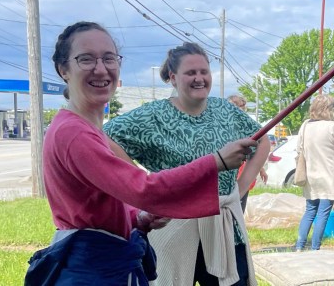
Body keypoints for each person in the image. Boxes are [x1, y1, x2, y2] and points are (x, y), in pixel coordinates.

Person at [30, 21, 255, 285]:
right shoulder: (74, 133)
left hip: (106, 261)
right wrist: (215, 162)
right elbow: (143, 189)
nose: (101, 68)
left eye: (109, 58)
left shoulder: (83, 127)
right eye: (86, 59)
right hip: (93, 267)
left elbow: (98, 207)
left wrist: (137, 217)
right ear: (63, 70)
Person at [104, 43, 269, 286]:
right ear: (173, 78)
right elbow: (104, 136)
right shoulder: (153, 116)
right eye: (191, 73)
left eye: (204, 72)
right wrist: (141, 184)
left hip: (222, 229)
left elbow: (262, 139)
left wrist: (240, 187)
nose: (199, 78)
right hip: (173, 227)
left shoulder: (224, 109)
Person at [294, 94, 334, 251]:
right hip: (329, 174)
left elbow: (299, 149)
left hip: (310, 174)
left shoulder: (306, 126)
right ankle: (315, 248)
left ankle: (299, 246)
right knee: (323, 212)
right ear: (329, 109)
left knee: (310, 211)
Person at [227, 94, 268, 214]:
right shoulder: (227, 124)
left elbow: (256, 148)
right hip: (231, 171)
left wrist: (261, 169)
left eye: (242, 107)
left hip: (240, 171)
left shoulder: (245, 125)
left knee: (238, 207)